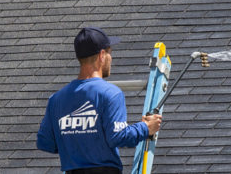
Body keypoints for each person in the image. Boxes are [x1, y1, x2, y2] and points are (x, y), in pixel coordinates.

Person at [37, 27, 163, 174]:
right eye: (110, 53)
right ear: (102, 55)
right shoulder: (110, 93)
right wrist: (146, 127)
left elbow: (45, 142)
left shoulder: (56, 99)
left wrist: (76, 142)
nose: (111, 58)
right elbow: (118, 136)